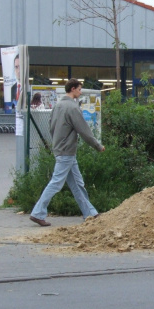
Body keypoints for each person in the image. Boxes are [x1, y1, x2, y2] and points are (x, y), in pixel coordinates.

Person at [29, 78, 105, 227]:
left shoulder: (58, 106)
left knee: (77, 183)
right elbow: (84, 131)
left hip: (61, 149)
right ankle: (37, 213)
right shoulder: (72, 108)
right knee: (56, 183)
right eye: (79, 89)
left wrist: (57, 142)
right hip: (67, 151)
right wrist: (98, 146)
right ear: (73, 89)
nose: (80, 92)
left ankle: (90, 213)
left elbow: (51, 126)